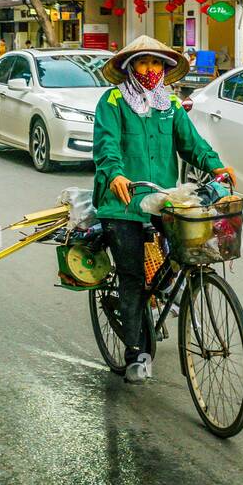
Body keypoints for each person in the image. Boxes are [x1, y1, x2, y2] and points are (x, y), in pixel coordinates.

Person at [92, 35, 235, 384]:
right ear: (130, 67)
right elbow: (106, 145)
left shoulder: (168, 104)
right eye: (143, 63)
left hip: (164, 199)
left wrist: (216, 166)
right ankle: (135, 353)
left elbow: (192, 144)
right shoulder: (112, 100)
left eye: (156, 63)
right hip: (123, 204)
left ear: (165, 68)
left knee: (178, 260)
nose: (150, 70)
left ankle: (156, 303)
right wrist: (115, 173)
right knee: (133, 277)